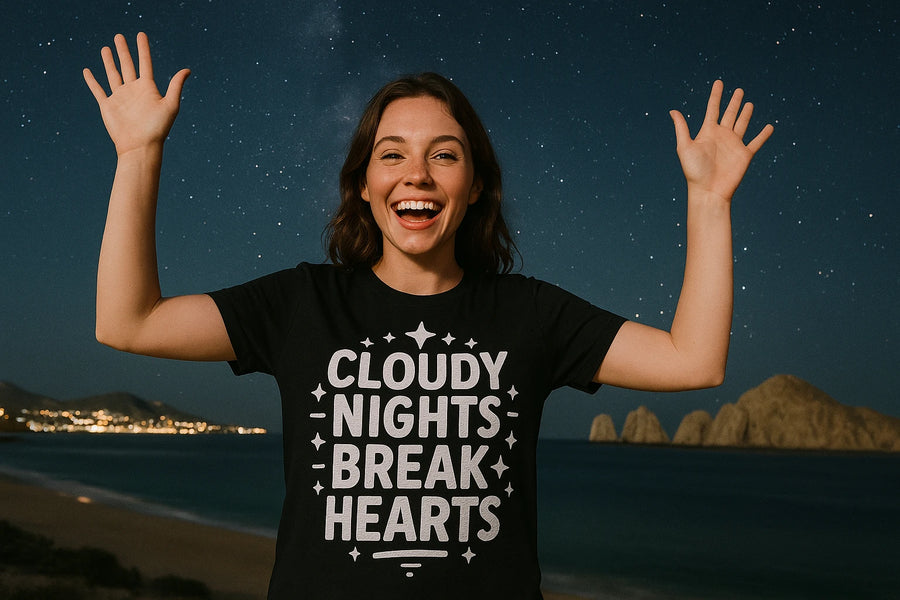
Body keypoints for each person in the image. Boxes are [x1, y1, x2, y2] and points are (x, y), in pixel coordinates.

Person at [84, 32, 773, 600]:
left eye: (444, 155)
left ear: (475, 188)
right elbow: (128, 320)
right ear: (362, 186)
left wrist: (710, 202)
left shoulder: (530, 314)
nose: (417, 174)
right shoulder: (301, 305)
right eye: (392, 156)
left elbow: (694, 360)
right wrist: (139, 154)